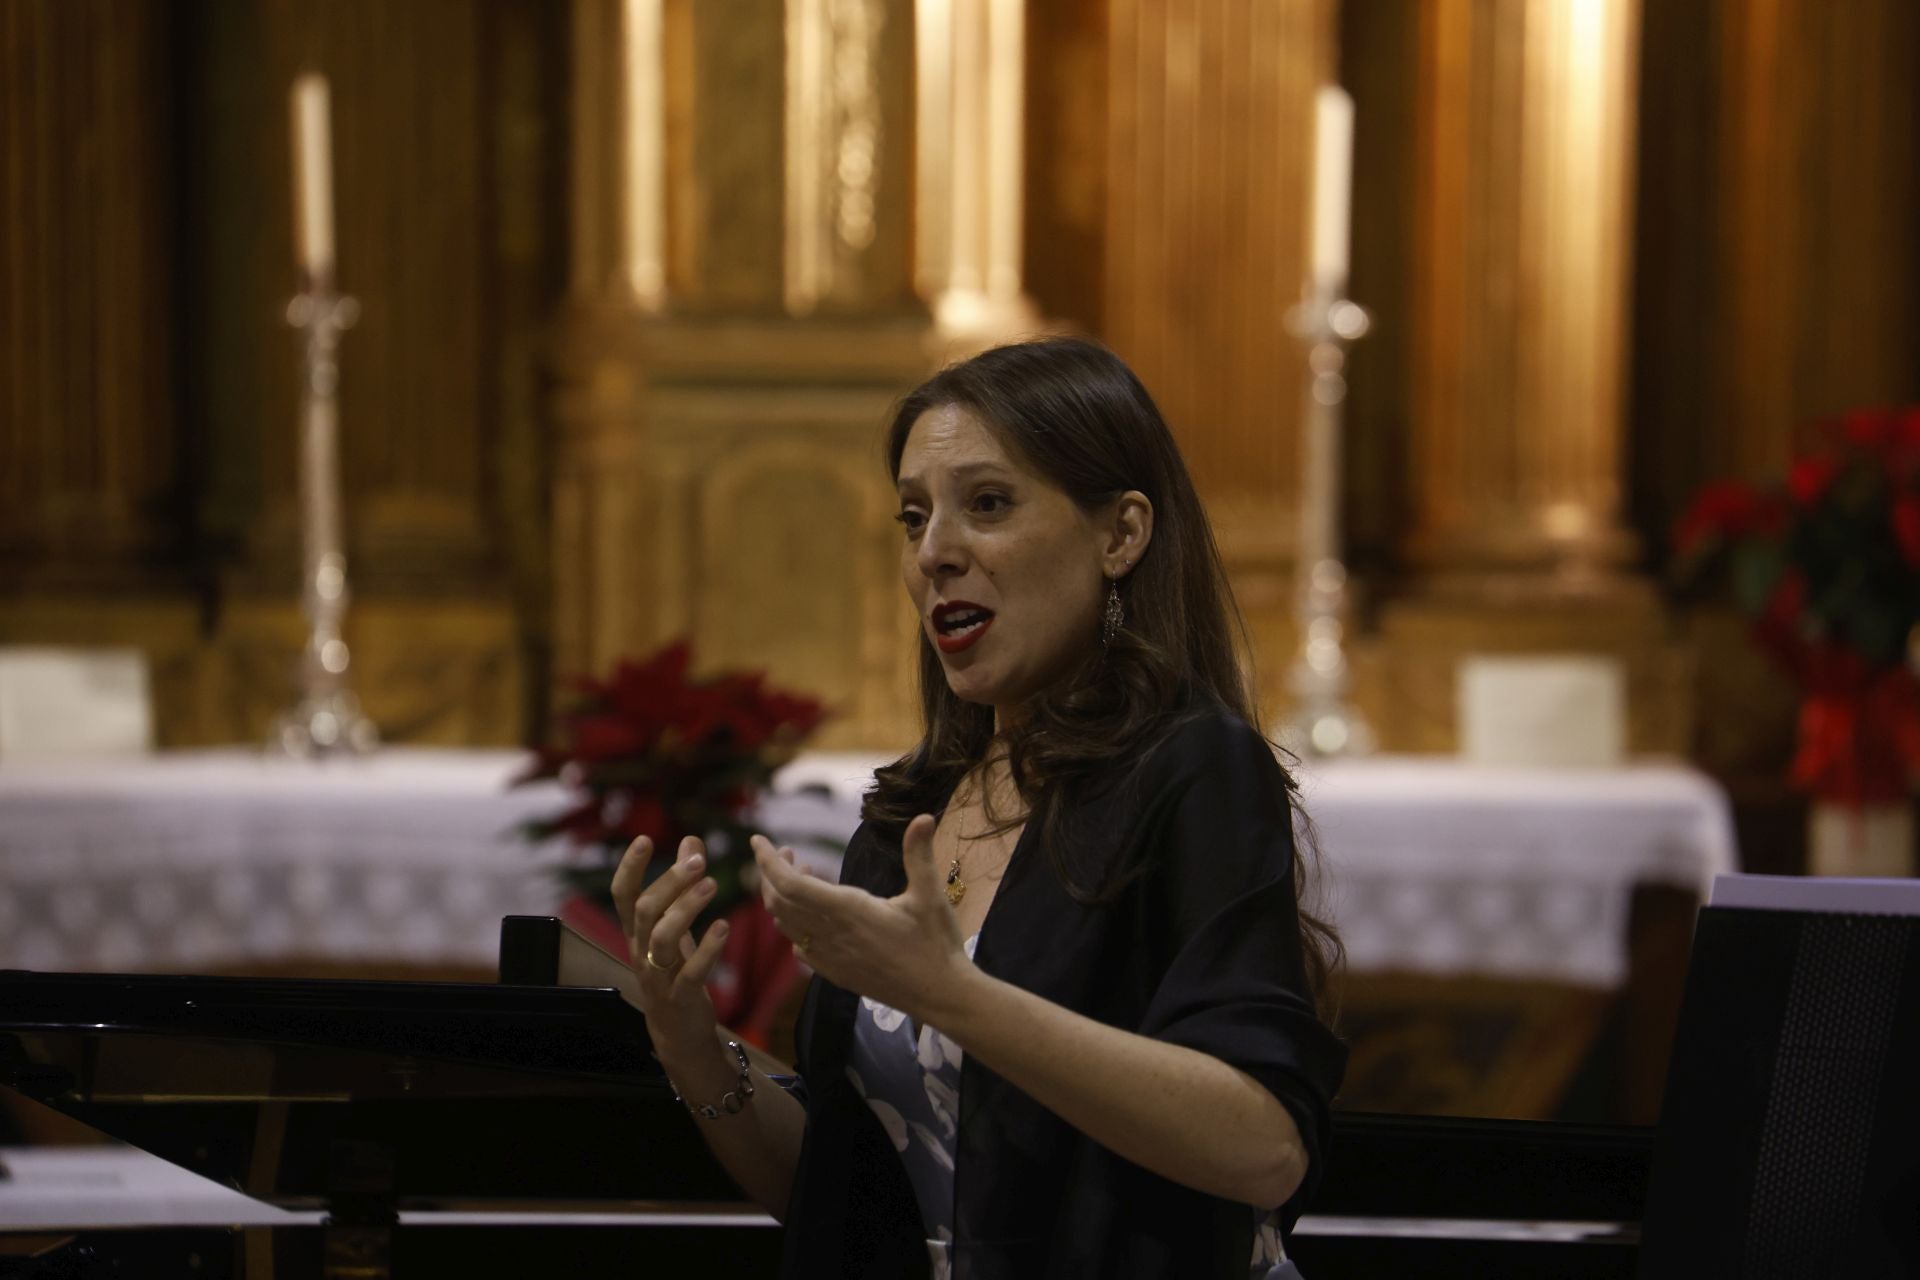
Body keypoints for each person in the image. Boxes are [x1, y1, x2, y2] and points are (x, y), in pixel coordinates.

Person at [612, 337, 1346, 1278]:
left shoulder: (1193, 770)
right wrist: (690, 1047)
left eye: (987, 505)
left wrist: (954, 998)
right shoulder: (907, 817)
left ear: (1120, 534)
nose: (934, 553)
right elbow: (847, 1197)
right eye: (914, 516)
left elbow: (1265, 1148)